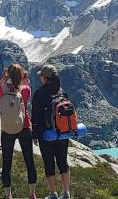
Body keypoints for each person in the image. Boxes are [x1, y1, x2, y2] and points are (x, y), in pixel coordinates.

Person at [0, 63, 38, 199]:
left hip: (7, 129)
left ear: (8, 74)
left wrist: (3, 78)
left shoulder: (2, 89)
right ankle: (32, 193)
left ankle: (8, 195)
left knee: (6, 162)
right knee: (29, 160)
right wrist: (23, 80)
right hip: (24, 127)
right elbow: (26, 94)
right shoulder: (26, 89)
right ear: (21, 75)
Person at [32, 64, 71, 199]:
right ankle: (66, 192)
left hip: (46, 134)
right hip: (62, 133)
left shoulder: (39, 93)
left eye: (41, 76)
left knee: (49, 163)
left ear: (45, 78)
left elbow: (35, 116)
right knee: (63, 161)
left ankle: (52, 193)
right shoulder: (62, 92)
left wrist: (35, 135)